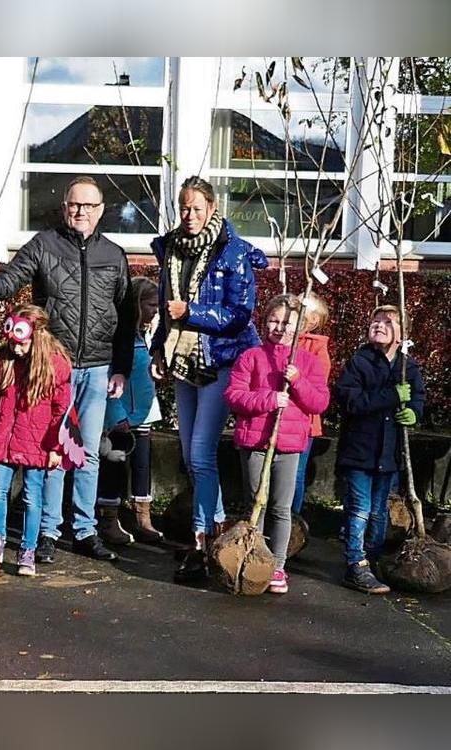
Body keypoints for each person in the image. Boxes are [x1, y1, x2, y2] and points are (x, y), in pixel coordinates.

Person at [0, 175, 136, 563]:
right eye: (74, 205)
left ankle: (85, 530)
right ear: (64, 208)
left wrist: (121, 368)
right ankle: (47, 531)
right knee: (51, 450)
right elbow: (11, 280)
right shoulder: (44, 244)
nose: (81, 212)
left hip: (97, 367)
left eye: (89, 206)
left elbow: (127, 317)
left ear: (101, 210)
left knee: (88, 453)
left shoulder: (114, 255)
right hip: (51, 367)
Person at [150, 175, 268, 584]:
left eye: (197, 208)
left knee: (200, 454)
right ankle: (215, 530)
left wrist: (192, 313)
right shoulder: (169, 248)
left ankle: (201, 542)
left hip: (221, 361)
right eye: (184, 207)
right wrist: (158, 350)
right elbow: (167, 311)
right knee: (189, 455)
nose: (189, 215)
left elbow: (240, 314)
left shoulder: (233, 253)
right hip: (184, 362)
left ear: (212, 209)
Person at [224, 294, 329, 594]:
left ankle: (278, 566)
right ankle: (252, 557)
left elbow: (319, 402)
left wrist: (296, 381)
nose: (280, 327)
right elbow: (234, 395)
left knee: (281, 508)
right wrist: (268, 399)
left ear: (300, 327)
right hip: (256, 441)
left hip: (290, 444)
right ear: (264, 320)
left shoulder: (307, 362)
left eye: (287, 323)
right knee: (255, 503)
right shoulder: (251, 357)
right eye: (274, 320)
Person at [0, 305, 72, 576]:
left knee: (32, 498)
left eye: (21, 344)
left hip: (37, 443)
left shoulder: (54, 366)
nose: (16, 349)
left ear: (37, 338)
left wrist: (56, 446)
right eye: (12, 343)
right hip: (5, 439)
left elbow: (62, 409)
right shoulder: (6, 359)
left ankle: (28, 549)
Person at [334, 305, 425, 595]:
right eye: (375, 320)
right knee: (359, 509)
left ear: (402, 334)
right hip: (360, 450)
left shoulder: (407, 366)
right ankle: (355, 564)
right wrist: (390, 396)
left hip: (390, 452)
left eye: (389, 322)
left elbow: (418, 396)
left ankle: (371, 557)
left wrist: (413, 411)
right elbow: (351, 402)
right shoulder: (359, 363)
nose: (380, 325)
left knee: (378, 510)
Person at [97, 277, 164, 544]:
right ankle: (109, 520)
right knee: (114, 466)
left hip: (144, 414)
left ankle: (142, 518)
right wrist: (115, 415)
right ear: (136, 305)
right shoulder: (119, 338)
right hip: (121, 416)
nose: (155, 310)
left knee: (142, 467)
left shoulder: (148, 335)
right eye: (150, 304)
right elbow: (110, 376)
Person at [292, 292, 331, 515]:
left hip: (303, 422)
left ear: (313, 320)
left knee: (296, 473)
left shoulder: (316, 348)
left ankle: (292, 519)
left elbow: (318, 384)